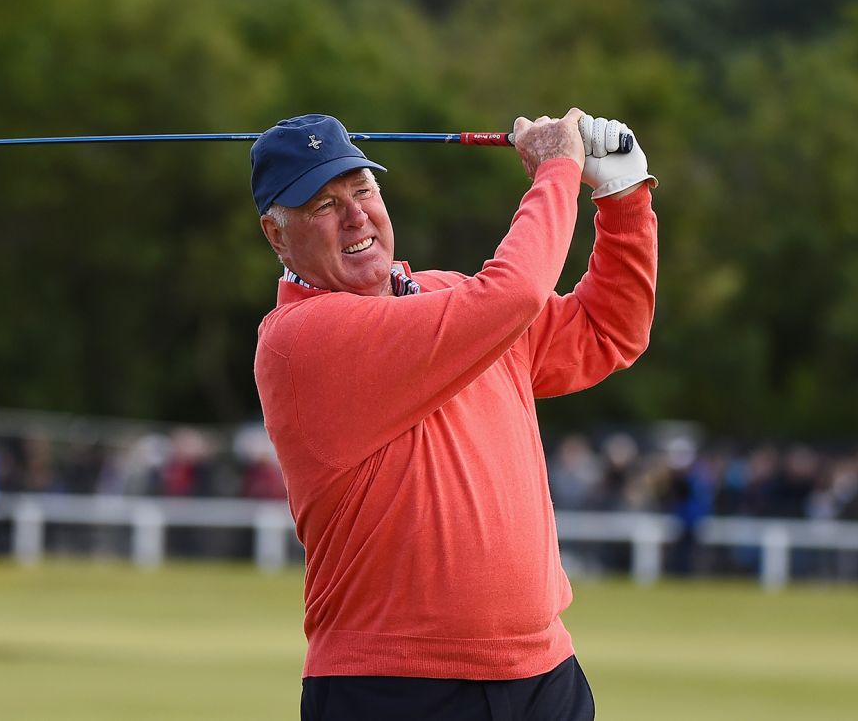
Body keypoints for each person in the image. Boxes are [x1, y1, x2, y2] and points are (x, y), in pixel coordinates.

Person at [251, 110, 657, 721]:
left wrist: (623, 194)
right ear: (277, 236)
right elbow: (513, 294)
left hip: (543, 674)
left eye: (362, 190)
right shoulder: (301, 339)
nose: (356, 215)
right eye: (323, 205)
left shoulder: (450, 295)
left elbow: (608, 331)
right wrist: (556, 168)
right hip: (394, 686)